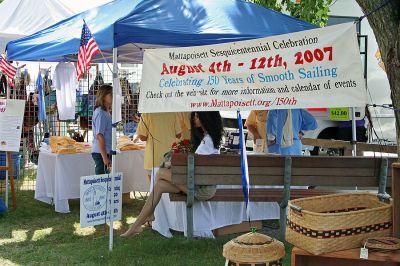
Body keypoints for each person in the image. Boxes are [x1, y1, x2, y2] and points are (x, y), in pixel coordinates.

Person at [121, 111, 223, 237]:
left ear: (205, 118)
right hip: (199, 185)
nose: (194, 118)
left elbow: (195, 168)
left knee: (160, 172)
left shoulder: (208, 141)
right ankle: (136, 225)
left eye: (197, 116)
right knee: (160, 185)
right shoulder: (210, 138)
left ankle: (148, 216)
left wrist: (173, 164)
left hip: (202, 190)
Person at [136, 113, 182, 180]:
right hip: (169, 158)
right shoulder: (172, 113)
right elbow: (178, 135)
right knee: (170, 187)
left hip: (153, 158)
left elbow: (142, 137)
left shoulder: (146, 114)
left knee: (154, 188)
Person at [91, 84, 113, 175]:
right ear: (104, 96)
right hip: (101, 153)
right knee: (102, 182)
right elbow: (99, 135)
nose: (113, 97)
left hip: (103, 151)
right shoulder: (101, 113)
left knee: (104, 182)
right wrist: (104, 157)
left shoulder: (104, 112)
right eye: (111, 95)